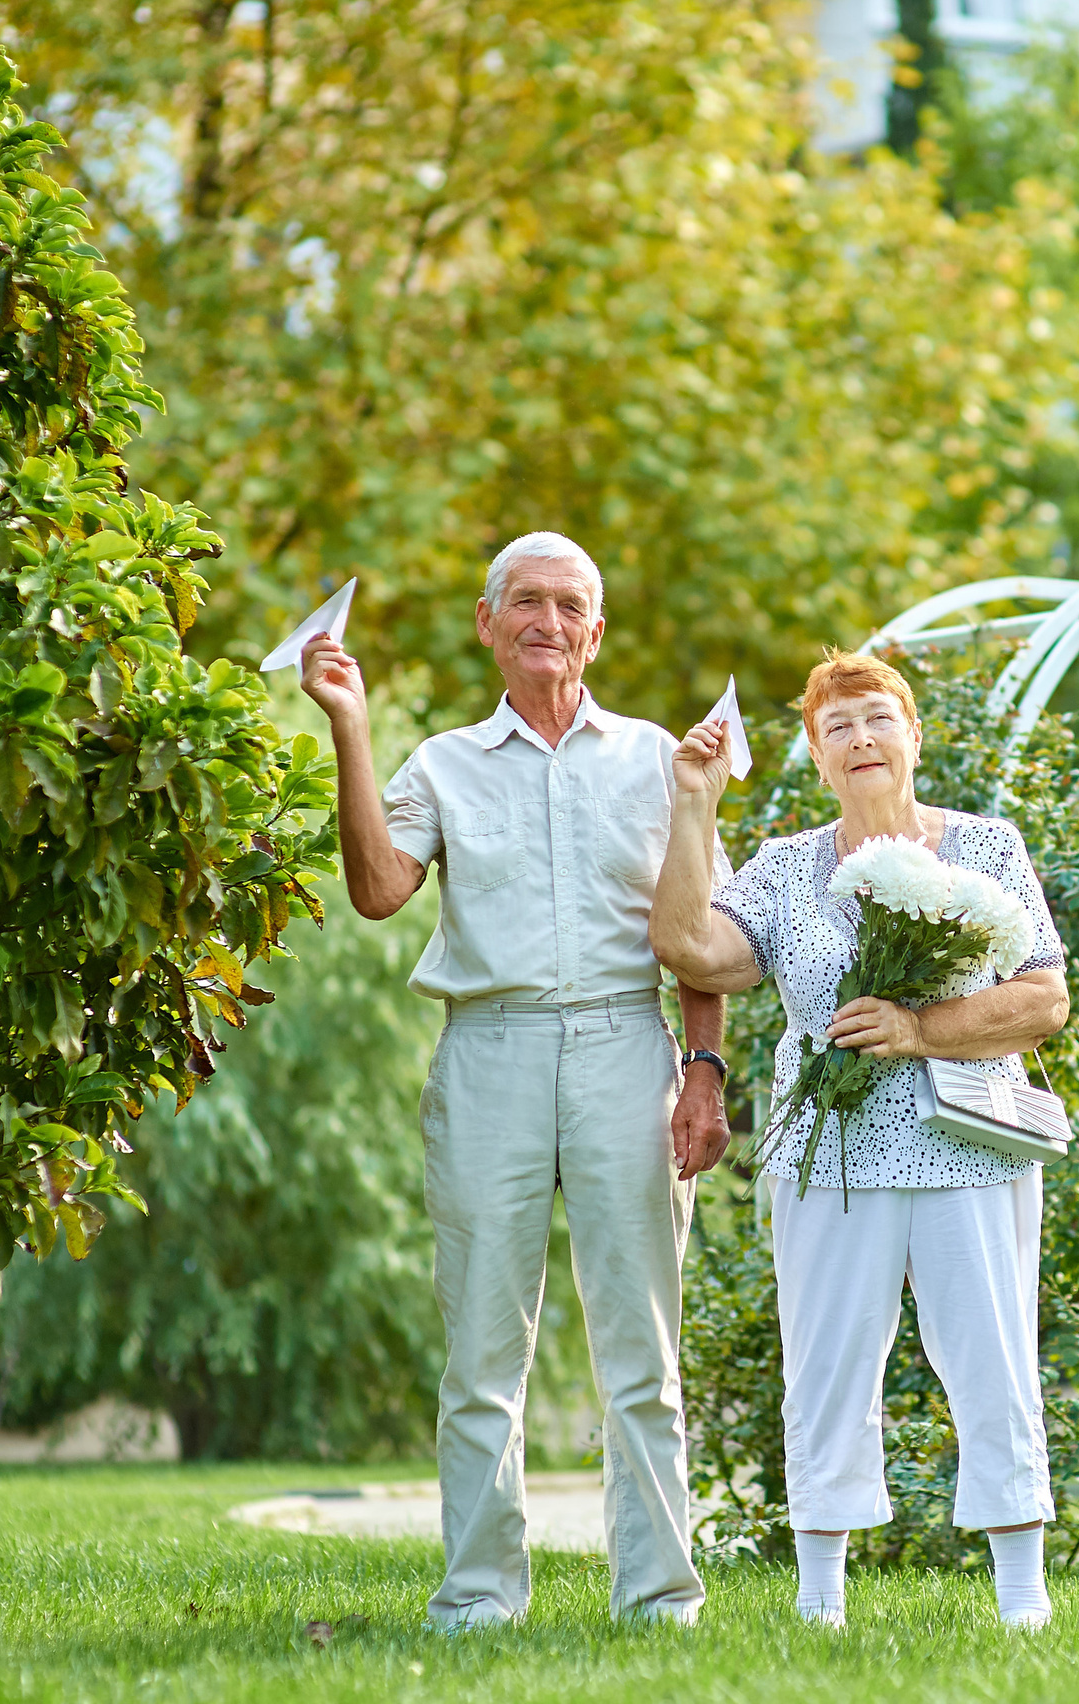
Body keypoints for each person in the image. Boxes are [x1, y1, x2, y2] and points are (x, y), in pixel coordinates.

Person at [298, 532, 732, 1631]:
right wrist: (348, 725)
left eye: (568, 604)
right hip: (488, 1050)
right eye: (524, 602)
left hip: (627, 1050)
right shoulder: (442, 761)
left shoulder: (656, 759)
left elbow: (700, 936)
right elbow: (378, 889)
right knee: (483, 1349)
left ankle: (660, 1598)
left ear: (596, 630)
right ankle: (481, 1599)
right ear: (488, 624)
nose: (547, 621)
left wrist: (704, 1073)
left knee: (641, 1348)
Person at [648, 649, 1071, 1630]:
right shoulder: (787, 868)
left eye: (878, 719)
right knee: (828, 1365)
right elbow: (688, 949)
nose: (861, 739)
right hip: (825, 1158)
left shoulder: (984, 847)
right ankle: (819, 1600)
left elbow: (1043, 997)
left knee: (992, 1360)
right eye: (836, 727)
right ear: (813, 754)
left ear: (913, 738)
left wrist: (919, 1031)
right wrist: (692, 805)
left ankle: (1021, 1596)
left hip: (969, 1144)